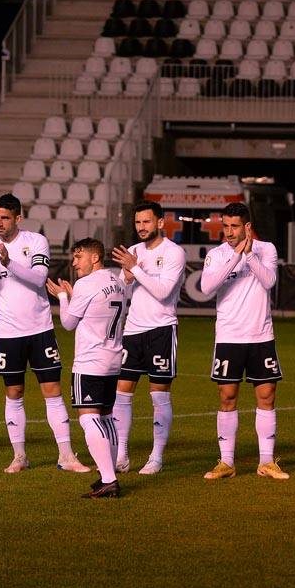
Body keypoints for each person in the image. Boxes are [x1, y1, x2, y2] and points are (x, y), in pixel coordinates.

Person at [0, 193, 89, 474]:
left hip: (40, 329)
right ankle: (19, 456)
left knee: (52, 391)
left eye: (5, 218)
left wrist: (8, 263)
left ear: (18, 219)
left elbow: (39, 278)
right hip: (8, 333)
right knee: (14, 392)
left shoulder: (35, 241)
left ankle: (65, 455)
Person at [199, 202, 289, 480]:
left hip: (261, 335)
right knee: (227, 396)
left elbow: (269, 281)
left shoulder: (267, 249)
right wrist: (234, 257)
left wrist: (249, 256)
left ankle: (266, 462)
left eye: (234, 226)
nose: (228, 231)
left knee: (266, 396)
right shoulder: (216, 255)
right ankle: (226, 462)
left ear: (247, 227)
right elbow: (206, 288)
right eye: (225, 226)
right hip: (229, 336)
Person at [46, 239, 130, 498]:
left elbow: (69, 322)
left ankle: (108, 478)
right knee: (106, 417)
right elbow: (98, 309)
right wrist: (75, 296)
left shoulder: (85, 284)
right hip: (114, 357)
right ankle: (109, 474)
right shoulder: (116, 281)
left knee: (88, 417)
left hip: (91, 360)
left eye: (78, 257)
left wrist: (62, 296)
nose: (74, 263)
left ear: (95, 258)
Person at [109, 200, 186, 475]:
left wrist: (136, 269)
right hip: (133, 330)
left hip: (162, 330)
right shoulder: (132, 252)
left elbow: (164, 291)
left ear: (160, 223)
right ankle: (122, 454)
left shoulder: (174, 253)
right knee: (122, 393)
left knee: (159, 395)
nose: (141, 227)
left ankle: (156, 457)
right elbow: (124, 292)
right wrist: (127, 279)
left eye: (147, 222)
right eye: (138, 222)